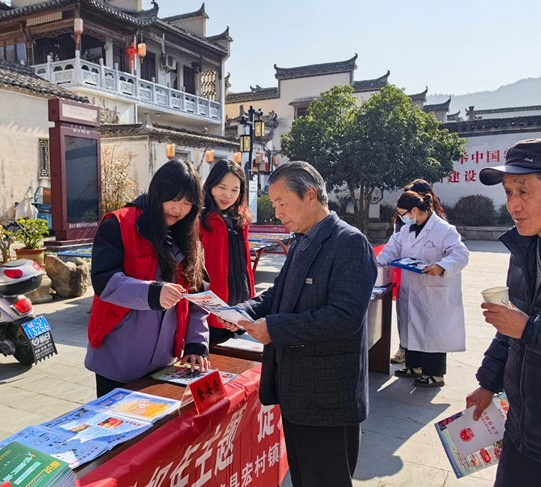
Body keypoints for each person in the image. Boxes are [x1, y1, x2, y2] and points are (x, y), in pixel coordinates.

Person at [221, 161, 377, 487]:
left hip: (328, 396)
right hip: (297, 392)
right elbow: (279, 293)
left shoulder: (348, 243)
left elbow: (344, 317)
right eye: (274, 204)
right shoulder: (301, 241)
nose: (276, 212)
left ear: (310, 195)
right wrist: (237, 313)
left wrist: (274, 329)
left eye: (281, 202)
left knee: (326, 479)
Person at [467, 138, 541, 486]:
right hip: (519, 431)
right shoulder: (523, 250)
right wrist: (488, 381)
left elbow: (521, 327)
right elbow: (508, 326)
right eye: (508, 192)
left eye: (523, 191)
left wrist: (528, 328)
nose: (513, 205)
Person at [86, 159, 210, 397]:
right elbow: (104, 280)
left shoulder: (190, 239)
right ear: (157, 192)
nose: (178, 209)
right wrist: (152, 293)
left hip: (165, 360)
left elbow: (198, 294)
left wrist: (197, 343)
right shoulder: (119, 223)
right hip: (117, 357)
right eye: (173, 199)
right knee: (116, 430)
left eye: (187, 203)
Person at [376, 190, 469, 387]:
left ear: (415, 210)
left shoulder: (443, 230)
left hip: (434, 290)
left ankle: (435, 374)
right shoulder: (405, 231)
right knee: (411, 327)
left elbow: (461, 254)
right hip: (411, 289)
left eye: (403, 214)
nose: (402, 218)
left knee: (432, 332)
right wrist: (376, 264)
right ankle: (414, 365)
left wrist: (442, 266)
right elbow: (390, 250)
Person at [199, 160, 255, 345]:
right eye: (222, 187)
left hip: (239, 307)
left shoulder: (239, 220)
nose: (227, 195)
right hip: (211, 310)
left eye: (234, 189)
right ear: (211, 185)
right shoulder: (201, 219)